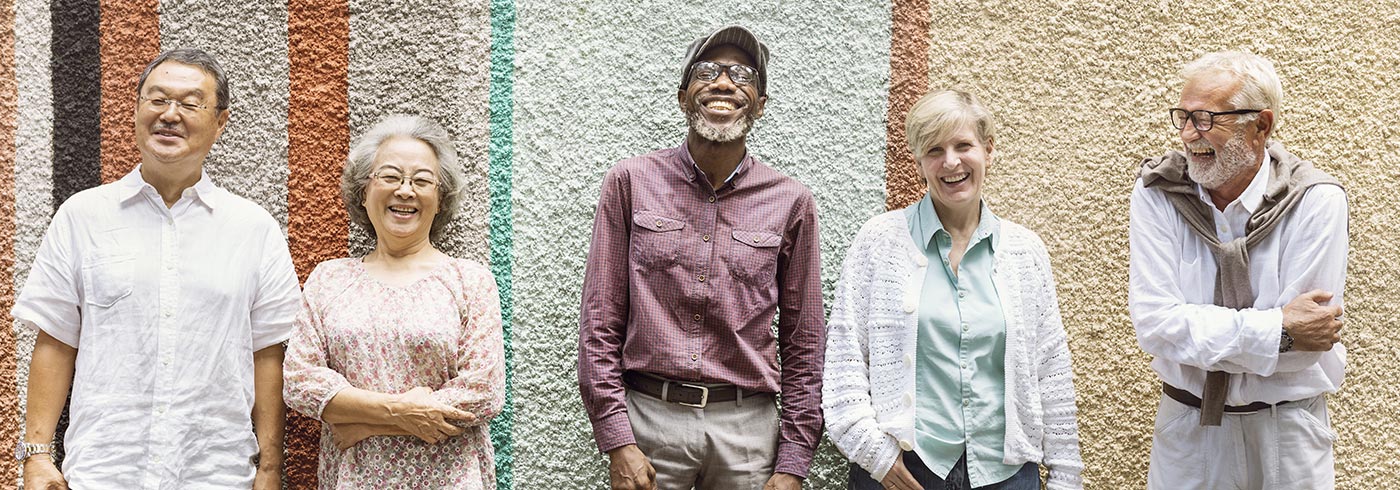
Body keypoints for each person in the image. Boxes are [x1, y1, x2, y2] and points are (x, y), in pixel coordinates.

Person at [12, 48, 300, 488]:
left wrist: (270, 468)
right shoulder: (83, 215)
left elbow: (268, 355)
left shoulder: (253, 229)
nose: (170, 114)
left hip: (216, 474)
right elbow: (56, 338)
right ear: (136, 109)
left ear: (220, 122)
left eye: (189, 103)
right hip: (104, 471)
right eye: (157, 99)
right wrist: (36, 457)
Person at [576, 25, 824, 490]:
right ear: (683, 96)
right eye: (707, 71)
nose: (724, 83)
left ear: (760, 104)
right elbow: (599, 321)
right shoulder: (630, 182)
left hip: (747, 432)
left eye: (743, 75)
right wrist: (616, 439)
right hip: (648, 424)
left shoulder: (791, 201)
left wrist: (793, 462)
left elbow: (805, 341)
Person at [823, 89, 1083, 490]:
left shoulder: (1024, 252)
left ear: (988, 151)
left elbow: (1051, 371)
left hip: (1006, 474)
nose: (951, 162)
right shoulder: (879, 241)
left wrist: (1066, 476)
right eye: (934, 150)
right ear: (919, 162)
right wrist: (875, 454)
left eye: (964, 145)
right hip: (904, 468)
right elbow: (844, 358)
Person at [1131, 51, 1347, 489]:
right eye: (1184, 117)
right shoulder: (1158, 193)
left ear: (1261, 126)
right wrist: (1277, 329)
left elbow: (1307, 349)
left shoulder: (1316, 200)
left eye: (1207, 119)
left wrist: (1198, 330)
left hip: (1286, 432)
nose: (1190, 135)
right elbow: (1155, 324)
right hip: (1189, 428)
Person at [282, 115, 505, 488]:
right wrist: (400, 412)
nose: (405, 190)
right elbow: (300, 381)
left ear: (440, 198)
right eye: (390, 176)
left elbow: (483, 391)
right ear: (364, 191)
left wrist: (362, 422)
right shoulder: (329, 279)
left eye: (421, 181)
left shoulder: (470, 281)